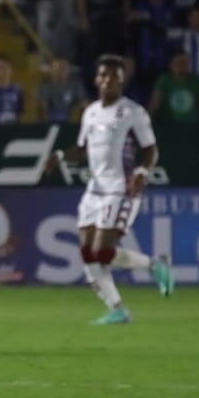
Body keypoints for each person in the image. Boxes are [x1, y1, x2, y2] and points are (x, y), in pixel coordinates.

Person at [46, 56, 172, 325]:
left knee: (102, 252)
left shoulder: (133, 112)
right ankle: (117, 308)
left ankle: (154, 265)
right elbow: (82, 149)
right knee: (88, 254)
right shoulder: (90, 112)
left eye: (114, 76)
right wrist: (60, 156)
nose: (107, 80)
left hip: (120, 188)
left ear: (122, 81)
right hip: (94, 189)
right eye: (103, 75)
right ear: (96, 79)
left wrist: (142, 172)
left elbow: (151, 149)